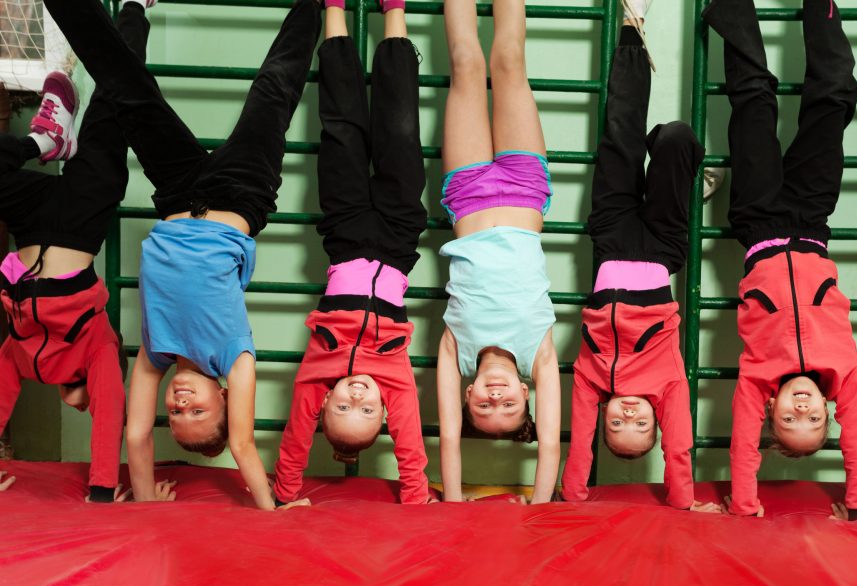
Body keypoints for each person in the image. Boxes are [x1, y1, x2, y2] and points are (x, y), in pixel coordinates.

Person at [44, 0, 322, 510]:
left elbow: (134, 437)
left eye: (176, 418)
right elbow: (241, 445)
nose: (181, 407)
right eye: (199, 414)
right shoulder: (236, 359)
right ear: (223, 399)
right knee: (273, 91)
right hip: (241, 193)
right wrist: (271, 506)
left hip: (177, 193)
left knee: (129, 90)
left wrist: (147, 496)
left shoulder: (156, 355)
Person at [703, 0, 857, 521]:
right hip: (812, 218)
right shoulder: (842, 373)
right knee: (835, 97)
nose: (802, 412)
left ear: (769, 412)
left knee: (754, 98)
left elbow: (742, 447)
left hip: (758, 222)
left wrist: (746, 502)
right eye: (815, 421)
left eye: (789, 422)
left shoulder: (757, 378)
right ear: (830, 410)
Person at [272, 0, 432, 506]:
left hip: (344, 233)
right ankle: (395, 11)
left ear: (323, 405)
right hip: (400, 234)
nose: (357, 400)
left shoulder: (317, 373)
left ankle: (335, 8)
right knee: (401, 130)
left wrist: (288, 493)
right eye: (368, 413)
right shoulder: (396, 382)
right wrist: (416, 497)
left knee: (341, 128)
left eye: (343, 410)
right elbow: (411, 451)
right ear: (386, 410)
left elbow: (295, 443)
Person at [560, 2, 717, 513]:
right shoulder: (667, 381)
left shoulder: (589, 380)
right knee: (676, 137)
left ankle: (633, 26)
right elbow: (678, 449)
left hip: (609, 238)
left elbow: (578, 446)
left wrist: (572, 498)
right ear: (653, 415)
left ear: (603, 415)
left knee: (619, 135)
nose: (628, 415)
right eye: (639, 424)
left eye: (617, 424)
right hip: (660, 248)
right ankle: (679, 168)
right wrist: (685, 502)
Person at [0, 0, 156, 501]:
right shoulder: (99, 347)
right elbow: (110, 411)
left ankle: (43, 142)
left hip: (28, 224)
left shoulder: (20, 359)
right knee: (114, 102)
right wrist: (103, 489)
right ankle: (135, 6)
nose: (83, 405)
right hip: (81, 222)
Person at [435, 0, 561, 504]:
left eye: (483, 409)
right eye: (508, 408)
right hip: (525, 188)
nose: (494, 399)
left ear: (467, 396)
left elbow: (447, 437)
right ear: (525, 396)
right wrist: (537, 501)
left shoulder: (455, 353)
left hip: (467, 192)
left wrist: (454, 500)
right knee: (508, 60)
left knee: (466, 63)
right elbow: (549, 444)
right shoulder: (541, 356)